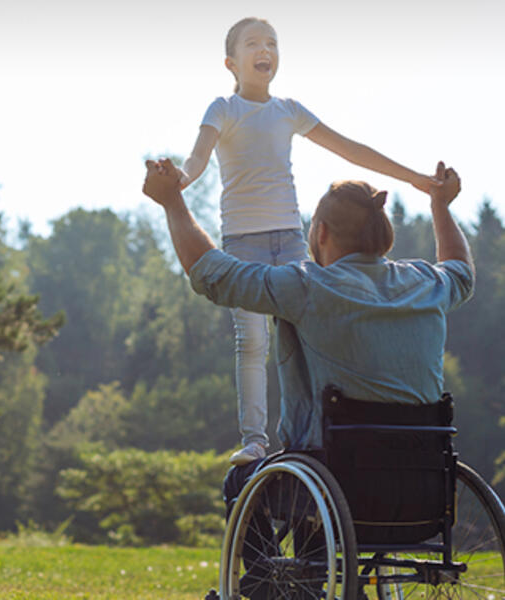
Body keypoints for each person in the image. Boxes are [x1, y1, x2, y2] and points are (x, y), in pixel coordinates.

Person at [177, 17, 441, 466]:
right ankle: (256, 439)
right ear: (231, 62)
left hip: (292, 240)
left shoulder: (289, 110)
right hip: (243, 240)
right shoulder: (223, 108)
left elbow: (350, 149)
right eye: (253, 43)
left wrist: (416, 179)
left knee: (305, 335)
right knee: (253, 341)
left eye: (272, 43)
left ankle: (314, 430)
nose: (266, 49)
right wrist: (177, 182)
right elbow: (197, 157)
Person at [141, 157, 474, 496]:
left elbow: (213, 274)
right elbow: (461, 272)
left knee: (239, 483)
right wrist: (440, 205)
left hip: (332, 482)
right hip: (419, 485)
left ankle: (287, 553)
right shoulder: (427, 283)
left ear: (322, 232)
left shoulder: (307, 286)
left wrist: (172, 201)